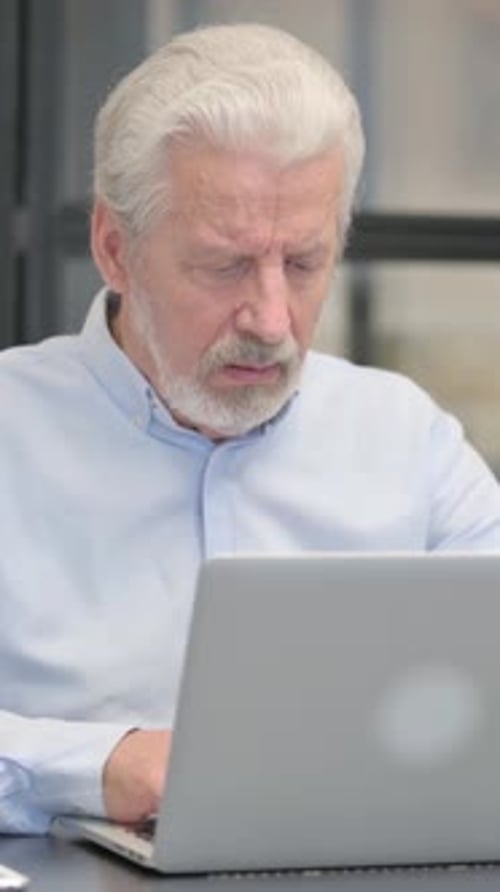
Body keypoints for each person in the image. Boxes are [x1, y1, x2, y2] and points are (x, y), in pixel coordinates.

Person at [1, 22, 500, 837]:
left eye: (303, 264)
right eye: (225, 264)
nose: (270, 319)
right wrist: (99, 767)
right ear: (113, 249)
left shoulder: (406, 442)